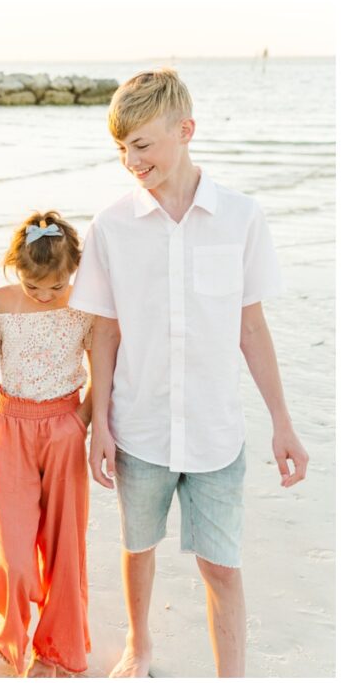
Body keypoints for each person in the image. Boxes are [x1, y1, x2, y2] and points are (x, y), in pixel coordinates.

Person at [70, 68, 310, 677]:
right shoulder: (110, 227)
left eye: (143, 144)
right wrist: (99, 423)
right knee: (138, 548)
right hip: (139, 425)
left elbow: (250, 328)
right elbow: (104, 332)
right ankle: (139, 646)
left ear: (186, 130)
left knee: (222, 567)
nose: (131, 159)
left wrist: (284, 423)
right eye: (121, 147)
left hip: (214, 431)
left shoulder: (240, 217)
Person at [0, 211, 93, 677]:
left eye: (56, 286)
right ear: (15, 269)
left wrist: (81, 422)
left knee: (65, 546)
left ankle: (56, 648)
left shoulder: (86, 303)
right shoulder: (3, 302)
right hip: (11, 432)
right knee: (15, 550)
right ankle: (14, 636)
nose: (46, 296)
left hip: (65, 428)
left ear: (73, 271)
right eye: (34, 287)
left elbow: (103, 366)